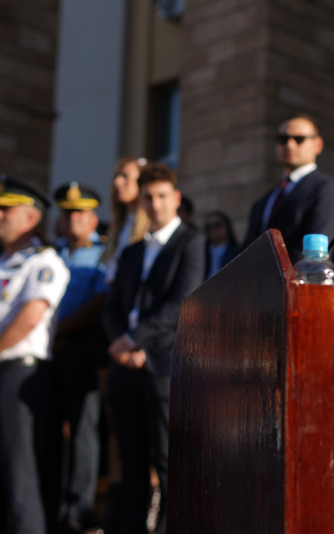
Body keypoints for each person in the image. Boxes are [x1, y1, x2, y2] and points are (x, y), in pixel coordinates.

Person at [0, 176, 70, 534]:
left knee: (21, 481)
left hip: (18, 378)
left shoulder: (44, 262)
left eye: (6, 209)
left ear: (31, 218)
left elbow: (32, 314)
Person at [103, 162, 204, 534]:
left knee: (168, 461)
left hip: (164, 365)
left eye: (163, 196)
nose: (156, 204)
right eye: (148, 197)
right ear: (140, 202)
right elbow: (112, 306)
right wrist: (120, 344)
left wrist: (136, 340)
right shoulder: (131, 252)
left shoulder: (191, 242)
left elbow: (181, 301)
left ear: (176, 198)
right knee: (130, 461)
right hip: (124, 367)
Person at [48, 181, 109, 533]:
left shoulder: (102, 252)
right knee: (50, 428)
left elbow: (97, 302)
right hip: (49, 351)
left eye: (80, 213)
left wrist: (58, 330)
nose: (72, 219)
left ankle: (78, 509)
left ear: (93, 217)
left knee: (83, 429)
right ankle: (53, 502)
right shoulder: (50, 253)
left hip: (82, 347)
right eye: (67, 213)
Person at [243, 114, 334, 264]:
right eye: (283, 139)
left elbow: (315, 254)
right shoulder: (262, 202)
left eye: (299, 139)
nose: (289, 145)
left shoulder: (328, 189)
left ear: (318, 145)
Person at [103, 157, 150, 285]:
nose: (117, 182)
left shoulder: (150, 227)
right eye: (117, 176)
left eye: (125, 176)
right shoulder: (119, 224)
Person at [204, 210, 241, 280]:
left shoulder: (237, 252)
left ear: (227, 227)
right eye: (209, 226)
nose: (213, 229)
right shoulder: (202, 253)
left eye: (217, 225)